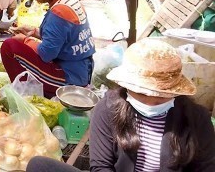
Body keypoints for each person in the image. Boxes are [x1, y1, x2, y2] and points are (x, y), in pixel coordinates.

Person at [27, 38, 215, 172]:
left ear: (175, 91)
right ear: (126, 86)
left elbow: (207, 167)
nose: (149, 101)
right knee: (39, 165)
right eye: (141, 93)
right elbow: (100, 166)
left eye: (160, 97)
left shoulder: (197, 119)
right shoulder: (108, 109)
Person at [0, 0, 95, 97]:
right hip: (82, 72)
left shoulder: (59, 13)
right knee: (19, 44)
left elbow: (46, 54)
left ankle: (23, 93)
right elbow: (64, 37)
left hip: (69, 79)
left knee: (9, 46)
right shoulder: (71, 1)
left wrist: (26, 40)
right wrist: (35, 33)